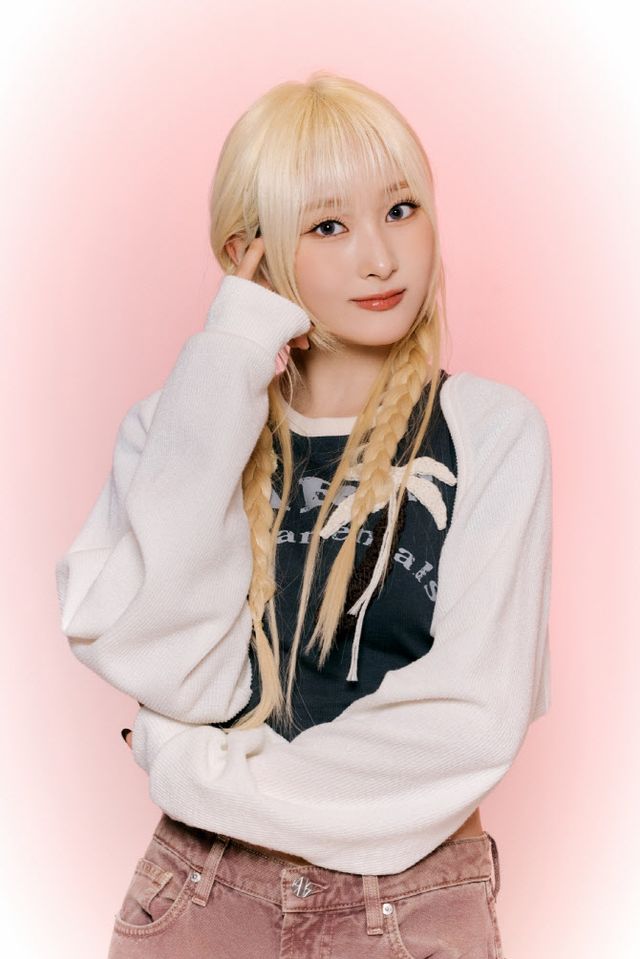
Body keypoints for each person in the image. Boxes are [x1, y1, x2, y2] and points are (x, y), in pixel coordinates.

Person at [55, 71, 552, 958]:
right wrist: (234, 345)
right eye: (327, 226)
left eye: (401, 209)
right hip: (202, 893)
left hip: (406, 906)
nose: (381, 257)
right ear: (247, 255)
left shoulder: (489, 430)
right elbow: (165, 660)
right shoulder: (176, 430)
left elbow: (468, 723)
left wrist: (192, 767)